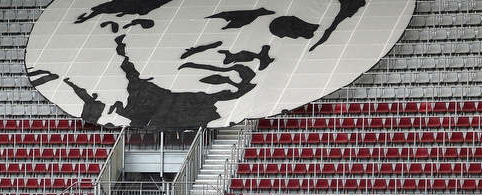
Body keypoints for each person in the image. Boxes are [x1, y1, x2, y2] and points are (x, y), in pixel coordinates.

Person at [26, 0, 405, 129]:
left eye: (291, 31)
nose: (257, 49)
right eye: (235, 19)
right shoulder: (69, 80)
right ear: (129, 23)